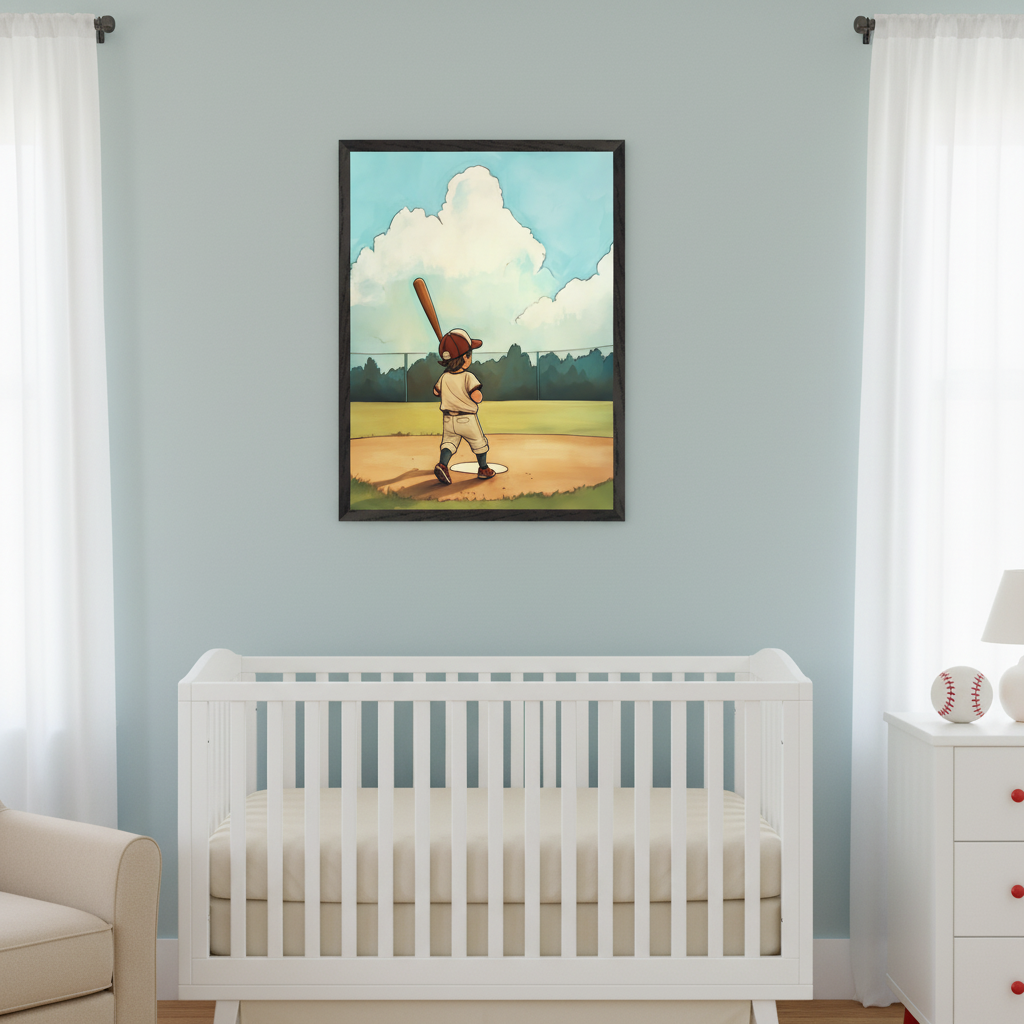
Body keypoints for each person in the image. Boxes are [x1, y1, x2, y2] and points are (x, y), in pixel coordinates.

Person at [432, 329, 496, 484]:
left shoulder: (444, 376)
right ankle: (483, 468)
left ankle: (443, 465)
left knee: (448, 444)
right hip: (466, 419)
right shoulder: (468, 376)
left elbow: (435, 391)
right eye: (470, 353)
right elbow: (477, 397)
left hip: (448, 419)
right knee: (479, 444)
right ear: (465, 357)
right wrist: (477, 395)